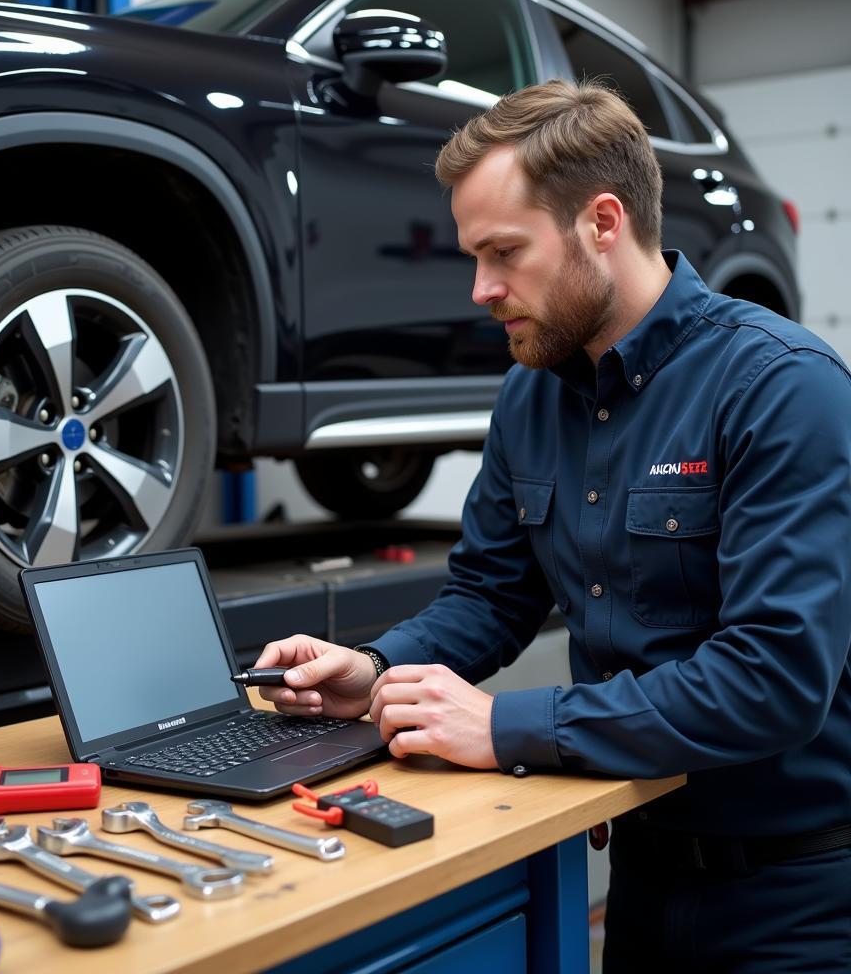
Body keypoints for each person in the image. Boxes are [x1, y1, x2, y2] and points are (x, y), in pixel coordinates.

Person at [254, 79, 851, 971]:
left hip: (799, 903)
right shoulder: (532, 393)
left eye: (503, 252)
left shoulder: (782, 388)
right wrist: (379, 670)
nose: (481, 289)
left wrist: (505, 729)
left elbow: (772, 678)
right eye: (473, 256)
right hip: (641, 879)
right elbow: (490, 596)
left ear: (601, 222)